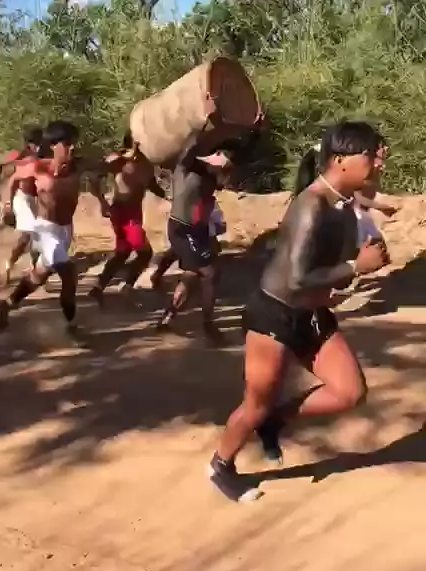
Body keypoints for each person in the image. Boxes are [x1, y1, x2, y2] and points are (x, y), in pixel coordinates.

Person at [208, 120, 389, 502]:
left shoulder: (344, 204)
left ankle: (274, 420)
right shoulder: (311, 206)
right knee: (255, 404)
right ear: (340, 160)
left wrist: (361, 256)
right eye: (370, 155)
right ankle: (221, 466)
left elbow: (333, 263)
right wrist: (357, 266)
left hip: (313, 315)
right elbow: (296, 279)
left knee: (350, 392)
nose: (377, 163)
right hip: (275, 316)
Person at [0, 120, 108, 338]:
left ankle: (8, 303)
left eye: (74, 142)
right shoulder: (38, 167)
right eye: (67, 144)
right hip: (45, 230)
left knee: (39, 275)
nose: (73, 148)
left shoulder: (79, 166)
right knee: (69, 274)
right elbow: (13, 178)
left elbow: (104, 166)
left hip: (65, 229)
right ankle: (71, 325)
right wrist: (7, 206)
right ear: (53, 145)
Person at [155, 145, 232, 342]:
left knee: (191, 276)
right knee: (210, 273)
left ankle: (167, 319)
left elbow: (222, 182)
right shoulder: (187, 169)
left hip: (198, 231)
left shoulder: (212, 177)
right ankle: (208, 324)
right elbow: (190, 145)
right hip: (183, 229)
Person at [88, 132, 167, 307]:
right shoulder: (119, 161)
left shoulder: (146, 164)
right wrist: (102, 201)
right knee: (144, 253)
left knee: (123, 252)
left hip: (134, 211)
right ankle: (126, 286)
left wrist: (168, 195)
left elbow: (151, 184)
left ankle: (98, 287)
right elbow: (94, 177)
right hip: (123, 212)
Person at [0, 126, 43, 283]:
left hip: (34, 199)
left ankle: (34, 269)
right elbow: (10, 179)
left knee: (37, 235)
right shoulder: (22, 157)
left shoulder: (37, 156)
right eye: (38, 141)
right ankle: (9, 263)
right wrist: (7, 203)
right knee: (28, 234)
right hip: (23, 198)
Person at [150, 199, 226, 289]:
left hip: (188, 230)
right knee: (199, 267)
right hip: (191, 230)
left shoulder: (207, 205)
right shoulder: (204, 206)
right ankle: (184, 289)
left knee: (177, 251)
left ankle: (158, 275)